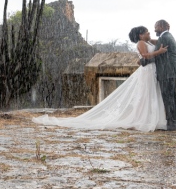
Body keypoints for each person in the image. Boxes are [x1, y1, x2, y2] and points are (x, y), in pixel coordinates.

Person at [32, 26, 168, 131]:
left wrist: (164, 35)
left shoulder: (147, 41)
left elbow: (158, 42)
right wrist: (159, 52)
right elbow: (145, 56)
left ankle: (149, 118)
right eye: (147, 32)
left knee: (150, 95)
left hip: (151, 71)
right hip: (147, 72)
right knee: (145, 96)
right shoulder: (141, 43)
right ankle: (140, 119)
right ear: (140, 34)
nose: (149, 33)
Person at [141, 20, 176, 130]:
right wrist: (149, 41)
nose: (154, 30)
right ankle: (175, 122)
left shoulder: (164, 38)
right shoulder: (168, 36)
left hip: (166, 71)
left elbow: (158, 56)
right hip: (171, 70)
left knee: (168, 98)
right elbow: (160, 48)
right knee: (172, 98)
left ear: (161, 26)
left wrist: (143, 61)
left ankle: (171, 123)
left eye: (156, 27)